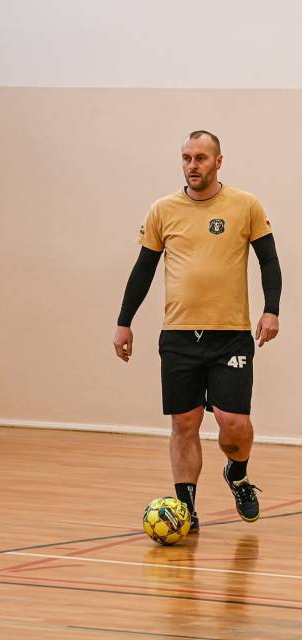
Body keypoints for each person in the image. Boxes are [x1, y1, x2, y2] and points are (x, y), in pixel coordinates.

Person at [113, 130, 282, 532]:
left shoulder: (245, 205)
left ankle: (237, 474)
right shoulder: (162, 210)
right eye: (187, 158)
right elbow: (144, 269)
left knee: (233, 422)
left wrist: (271, 310)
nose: (193, 165)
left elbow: (269, 261)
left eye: (201, 158)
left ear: (218, 162)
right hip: (179, 335)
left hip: (230, 333)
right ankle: (186, 510)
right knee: (184, 423)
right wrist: (124, 321)